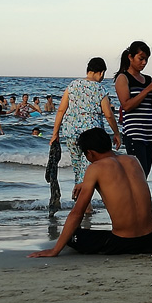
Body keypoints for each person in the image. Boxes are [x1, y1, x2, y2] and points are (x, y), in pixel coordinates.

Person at [28, 128, 152, 257]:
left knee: (73, 236)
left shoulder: (95, 168)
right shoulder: (133, 160)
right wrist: (86, 184)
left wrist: (55, 250)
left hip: (124, 243)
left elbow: (77, 213)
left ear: (90, 153)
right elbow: (122, 182)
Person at [51, 57, 122, 199]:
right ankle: (84, 204)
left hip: (71, 132)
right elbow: (108, 114)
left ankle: (82, 201)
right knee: (89, 170)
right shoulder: (99, 88)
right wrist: (116, 133)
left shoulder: (72, 85)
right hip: (92, 136)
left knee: (78, 169)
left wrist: (55, 133)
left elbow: (61, 111)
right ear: (101, 73)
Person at [114, 41, 152, 177]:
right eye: (141, 59)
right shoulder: (123, 78)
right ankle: (132, 198)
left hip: (150, 132)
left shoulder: (147, 79)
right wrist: (148, 89)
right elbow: (127, 105)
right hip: (134, 133)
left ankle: (136, 198)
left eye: (146, 60)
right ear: (130, 57)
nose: (143, 63)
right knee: (138, 174)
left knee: (145, 174)